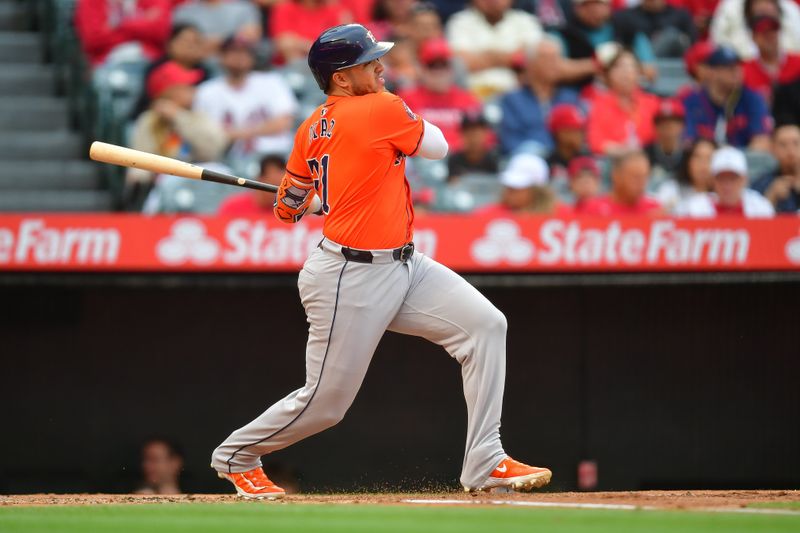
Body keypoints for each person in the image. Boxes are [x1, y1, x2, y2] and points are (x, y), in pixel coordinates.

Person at [211, 24, 552, 499]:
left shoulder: (310, 127)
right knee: (327, 404)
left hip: (403, 264)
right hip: (349, 276)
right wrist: (327, 194)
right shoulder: (381, 106)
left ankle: (485, 460)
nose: (381, 68)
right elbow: (438, 146)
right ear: (342, 78)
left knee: (485, 326)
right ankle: (236, 455)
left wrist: (311, 198)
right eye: (369, 62)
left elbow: (287, 209)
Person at [126, 61, 228, 204]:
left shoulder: (197, 116)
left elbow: (213, 151)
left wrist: (178, 117)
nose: (193, 89)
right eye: (186, 86)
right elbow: (139, 164)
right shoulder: (149, 121)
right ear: (167, 92)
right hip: (162, 187)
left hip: (200, 182)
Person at [193, 37, 299, 164]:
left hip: (274, 156)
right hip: (226, 160)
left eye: (244, 52)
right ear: (221, 57)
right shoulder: (206, 91)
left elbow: (284, 121)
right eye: (233, 51)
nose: (239, 56)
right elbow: (203, 132)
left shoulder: (272, 81)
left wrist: (238, 133)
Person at [497, 37, 582, 155]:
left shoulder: (570, 98)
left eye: (556, 58)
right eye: (545, 58)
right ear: (530, 64)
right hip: (527, 162)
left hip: (565, 161)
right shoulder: (513, 100)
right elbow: (510, 142)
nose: (553, 64)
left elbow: (580, 139)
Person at [396, 39, 482, 152]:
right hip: (422, 159)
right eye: (432, 65)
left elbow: (483, 138)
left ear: (451, 67)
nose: (439, 71)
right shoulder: (405, 99)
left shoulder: (468, 99)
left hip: (460, 160)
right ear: (421, 68)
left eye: (443, 65)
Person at [681, 46, 772, 151]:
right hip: (705, 162)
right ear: (712, 72)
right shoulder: (692, 101)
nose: (736, 71)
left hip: (742, 164)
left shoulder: (752, 99)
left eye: (738, 66)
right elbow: (687, 142)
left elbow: (762, 141)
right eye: (729, 67)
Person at [446, 0, 543, 97]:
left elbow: (536, 62)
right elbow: (460, 63)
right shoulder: (459, 22)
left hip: (519, 95)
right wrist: (512, 58)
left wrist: (484, 57)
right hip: (472, 95)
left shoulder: (527, 21)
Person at [552, 0, 657, 89]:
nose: (594, 10)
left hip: (622, 93)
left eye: (598, 4)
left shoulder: (626, 27)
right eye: (587, 5)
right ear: (576, 8)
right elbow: (557, 70)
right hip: (579, 93)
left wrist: (621, 66)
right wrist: (598, 64)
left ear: (608, 6)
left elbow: (650, 71)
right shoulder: (565, 31)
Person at [586, 46, 661, 155]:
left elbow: (661, 138)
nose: (625, 72)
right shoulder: (598, 105)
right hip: (614, 163)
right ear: (608, 74)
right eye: (619, 67)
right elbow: (596, 142)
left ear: (639, 73)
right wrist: (625, 153)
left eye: (631, 67)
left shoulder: (653, 103)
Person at [132, 24, 213, 118]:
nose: (190, 46)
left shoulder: (207, 74)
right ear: (170, 44)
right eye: (185, 41)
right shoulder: (158, 69)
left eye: (196, 42)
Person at [675, 145, 774, 216]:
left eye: (733, 178)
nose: (727, 184)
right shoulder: (695, 208)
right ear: (713, 180)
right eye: (721, 178)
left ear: (744, 179)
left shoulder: (760, 207)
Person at [75, 0, 172, 67]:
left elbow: (161, 31)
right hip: (106, 66)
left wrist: (118, 25)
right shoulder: (91, 2)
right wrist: (143, 23)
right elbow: (93, 40)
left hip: (151, 63)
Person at [709, 0, 800, 60]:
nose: (764, 7)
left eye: (768, 2)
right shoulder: (730, 8)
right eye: (759, 3)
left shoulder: (790, 9)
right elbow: (717, 42)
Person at [580, 150, 663, 215]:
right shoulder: (593, 209)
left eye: (644, 177)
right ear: (616, 176)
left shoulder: (654, 210)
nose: (641, 183)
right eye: (635, 177)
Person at [477, 153, 565, 215]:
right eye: (509, 185)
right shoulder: (488, 214)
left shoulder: (560, 214)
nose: (510, 190)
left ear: (537, 190)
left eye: (518, 187)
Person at [269, 0, 353, 64]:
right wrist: (317, 48)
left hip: (327, 63)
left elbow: (342, 42)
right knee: (288, 46)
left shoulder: (335, 10)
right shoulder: (285, 8)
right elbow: (284, 41)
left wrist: (306, 46)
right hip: (292, 65)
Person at [741, 15, 800, 104]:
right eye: (764, 32)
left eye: (773, 31)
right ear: (753, 37)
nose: (770, 36)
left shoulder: (797, 63)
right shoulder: (744, 71)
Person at [612, 0, 696, 58]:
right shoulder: (625, 17)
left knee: (672, 36)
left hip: (675, 66)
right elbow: (618, 44)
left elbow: (692, 43)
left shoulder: (681, 15)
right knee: (640, 40)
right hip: (638, 63)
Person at [655, 137, 717, 213]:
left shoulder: (723, 195)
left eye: (709, 158)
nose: (703, 164)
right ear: (688, 161)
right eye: (698, 157)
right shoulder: (671, 190)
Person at [173, 0, 262, 51]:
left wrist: (202, 42)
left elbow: (250, 39)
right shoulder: (184, 11)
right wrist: (230, 38)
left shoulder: (244, 8)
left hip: (238, 67)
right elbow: (182, 46)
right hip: (197, 68)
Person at [751, 124, 800, 213]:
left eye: (796, 143)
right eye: (783, 145)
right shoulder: (762, 184)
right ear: (773, 149)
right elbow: (751, 221)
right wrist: (771, 197)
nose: (790, 150)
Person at [218, 155, 286, 215]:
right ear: (260, 180)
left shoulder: (288, 211)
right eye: (274, 184)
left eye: (283, 187)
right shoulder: (233, 206)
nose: (278, 191)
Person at [447, 113, 500, 181]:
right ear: (462, 133)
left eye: (477, 131)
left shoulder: (494, 158)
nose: (474, 136)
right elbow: (450, 185)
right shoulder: (454, 159)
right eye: (469, 131)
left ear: (486, 132)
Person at [645, 99, 686, 184]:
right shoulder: (645, 154)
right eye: (663, 121)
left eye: (673, 121)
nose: (668, 125)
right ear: (655, 126)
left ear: (682, 125)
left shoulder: (689, 155)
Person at [546, 103, 588, 185]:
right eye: (575, 130)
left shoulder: (587, 160)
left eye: (582, 131)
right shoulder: (547, 164)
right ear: (560, 133)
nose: (581, 135)